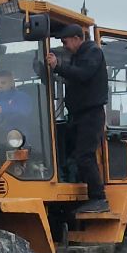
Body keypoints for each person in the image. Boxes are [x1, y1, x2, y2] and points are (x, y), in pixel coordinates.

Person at [46, 26, 109, 213]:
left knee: (85, 155)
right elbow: (73, 74)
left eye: (65, 42)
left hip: (91, 114)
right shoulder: (78, 56)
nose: (64, 46)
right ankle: (77, 185)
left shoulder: (93, 52)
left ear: (76, 38)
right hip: (77, 115)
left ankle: (99, 198)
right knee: (68, 151)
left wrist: (58, 65)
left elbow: (82, 74)